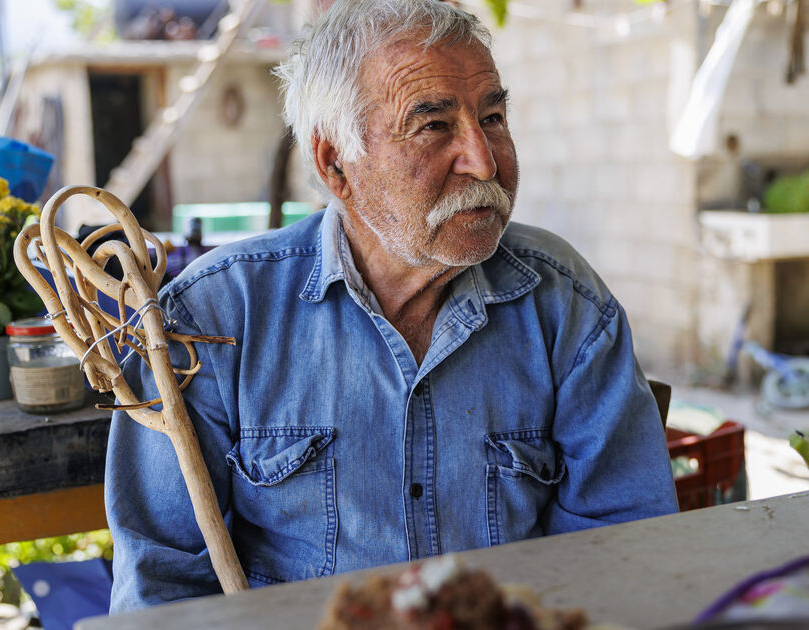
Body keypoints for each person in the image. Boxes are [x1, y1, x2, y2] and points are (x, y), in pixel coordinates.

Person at [106, 0, 679, 611]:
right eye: (434, 126)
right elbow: (160, 591)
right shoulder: (212, 321)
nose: (484, 161)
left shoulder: (566, 307)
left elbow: (621, 553)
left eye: (493, 117)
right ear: (335, 164)